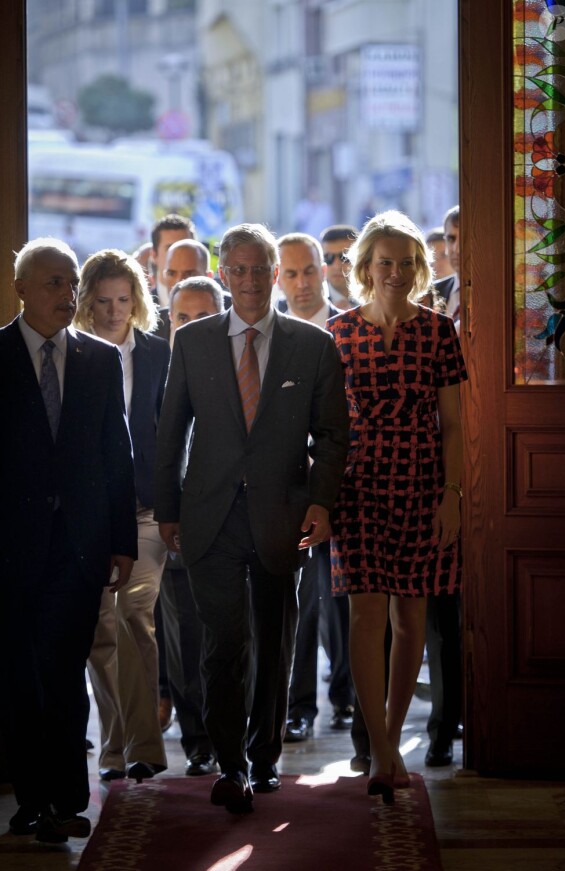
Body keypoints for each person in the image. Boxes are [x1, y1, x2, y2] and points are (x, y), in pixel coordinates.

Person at [155, 222, 349, 814]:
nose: (249, 280)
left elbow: (333, 436)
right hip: (209, 516)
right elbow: (170, 433)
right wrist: (169, 511)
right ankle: (230, 764)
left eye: (259, 269)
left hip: (281, 517)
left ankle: (264, 758)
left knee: (275, 641)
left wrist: (320, 502)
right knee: (223, 643)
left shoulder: (312, 345)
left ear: (274, 274)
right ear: (223, 275)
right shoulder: (192, 342)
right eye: (237, 270)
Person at [327, 210, 467, 804]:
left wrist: (453, 496)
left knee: (411, 617)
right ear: (365, 267)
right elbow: (325, 426)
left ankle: (389, 735)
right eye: (385, 262)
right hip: (356, 485)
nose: (396, 272)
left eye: (407, 263)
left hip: (422, 483)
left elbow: (454, 425)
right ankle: (382, 751)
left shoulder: (439, 331)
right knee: (365, 615)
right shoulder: (336, 333)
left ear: (419, 268)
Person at [0, 238, 137, 842]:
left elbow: (116, 456)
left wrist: (122, 541)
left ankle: (65, 799)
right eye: (54, 282)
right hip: (10, 549)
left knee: (64, 674)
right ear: (21, 289)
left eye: (71, 282)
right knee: (19, 678)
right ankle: (30, 800)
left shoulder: (98, 359)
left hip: (80, 548)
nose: (67, 293)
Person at [75, 249, 171, 785]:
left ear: (136, 300)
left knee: (136, 615)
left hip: (147, 508)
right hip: (92, 512)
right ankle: (113, 747)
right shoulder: (75, 352)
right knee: (101, 629)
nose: (114, 311)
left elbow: (173, 430)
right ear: (87, 303)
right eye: (104, 301)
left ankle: (145, 747)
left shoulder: (157, 352)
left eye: (123, 299)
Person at [276, 232, 353, 741]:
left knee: (343, 598)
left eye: (309, 270)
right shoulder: (272, 333)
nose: (302, 282)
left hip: (344, 482)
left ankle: (347, 696)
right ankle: (299, 706)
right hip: (289, 487)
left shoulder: (347, 329)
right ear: (279, 279)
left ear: (323, 272)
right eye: (291, 273)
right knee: (300, 602)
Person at [157, 276, 225, 777]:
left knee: (235, 636)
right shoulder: (153, 370)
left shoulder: (244, 367)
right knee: (184, 638)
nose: (193, 327)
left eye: (205, 317)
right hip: (179, 520)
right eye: (183, 318)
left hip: (234, 519)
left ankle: (236, 735)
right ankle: (198, 739)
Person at [424, 203, 464, 768]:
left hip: (485, 459)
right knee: (432, 611)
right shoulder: (435, 299)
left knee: (449, 610)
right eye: (450, 236)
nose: (455, 245)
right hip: (426, 462)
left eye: (461, 235)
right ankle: (438, 727)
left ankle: (453, 718)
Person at [150, 213, 195, 307]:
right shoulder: (138, 306)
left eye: (185, 247)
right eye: (170, 248)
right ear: (154, 255)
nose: (179, 254)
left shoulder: (222, 304)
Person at [320, 225, 359, 310]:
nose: (336, 266)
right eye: (328, 258)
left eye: (345, 257)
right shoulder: (312, 300)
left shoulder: (376, 296)